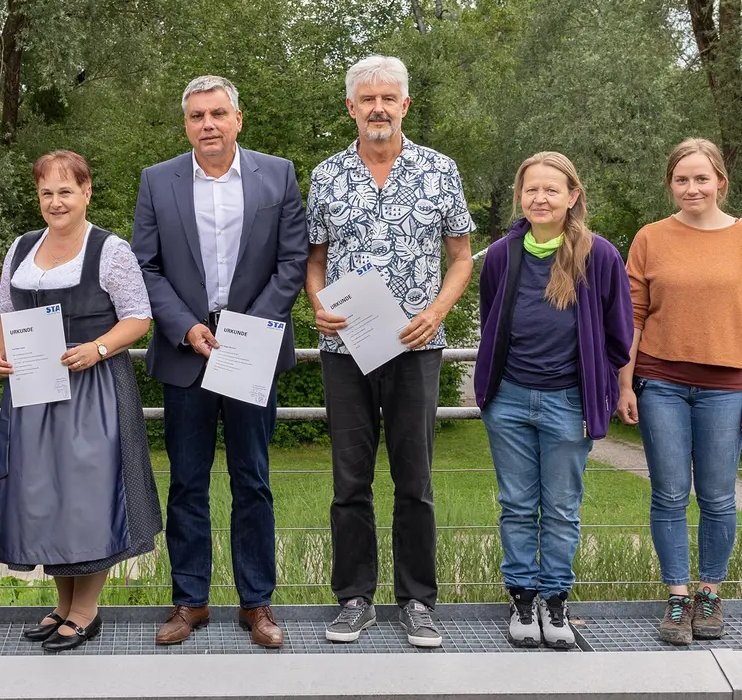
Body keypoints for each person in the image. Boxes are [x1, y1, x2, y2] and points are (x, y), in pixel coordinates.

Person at [132, 75, 308, 649]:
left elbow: (291, 261)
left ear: (238, 118)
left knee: (253, 480)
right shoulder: (158, 181)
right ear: (186, 124)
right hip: (188, 353)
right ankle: (190, 601)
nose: (207, 124)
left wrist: (250, 329)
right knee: (187, 483)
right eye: (196, 116)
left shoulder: (276, 174)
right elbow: (146, 266)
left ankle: (256, 603)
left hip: (251, 351)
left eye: (217, 114)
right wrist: (185, 326)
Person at [306, 55, 475, 649]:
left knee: (415, 480)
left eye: (389, 98)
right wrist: (316, 303)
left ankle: (417, 602)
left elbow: (460, 257)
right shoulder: (327, 175)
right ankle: (354, 599)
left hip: (416, 347)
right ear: (351, 108)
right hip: (344, 345)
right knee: (349, 481)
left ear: (405, 105)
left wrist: (437, 312)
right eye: (367, 99)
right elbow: (315, 261)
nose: (378, 108)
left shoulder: (438, 171)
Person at [0, 151, 160, 652]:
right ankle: (63, 605)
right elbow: (2, 311)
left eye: (67, 191)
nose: (56, 201)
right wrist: (2, 353)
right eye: (47, 192)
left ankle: (86, 610)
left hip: (93, 388)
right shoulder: (22, 247)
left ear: (86, 192)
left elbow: (138, 317)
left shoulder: (110, 249)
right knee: (45, 494)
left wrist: (98, 347)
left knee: (88, 495)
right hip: (34, 390)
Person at [616, 138, 742, 645]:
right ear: (670, 185)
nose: (692, 188)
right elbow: (631, 318)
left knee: (719, 496)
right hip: (659, 381)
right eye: (682, 179)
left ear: (720, 183)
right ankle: (678, 595)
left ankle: (710, 592)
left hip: (726, 387)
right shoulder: (650, 238)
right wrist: (626, 383)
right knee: (668, 493)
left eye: (702, 178)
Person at [474, 152, 632, 651]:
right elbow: (491, 316)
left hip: (568, 402)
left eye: (551, 190)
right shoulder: (502, 254)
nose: (540, 198)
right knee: (517, 505)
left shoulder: (598, 254)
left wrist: (603, 391)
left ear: (572, 197)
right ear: (521, 196)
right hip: (511, 401)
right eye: (531, 189)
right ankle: (522, 598)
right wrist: (492, 394)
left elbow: (619, 333)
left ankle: (556, 601)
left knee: (562, 508)